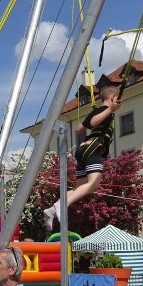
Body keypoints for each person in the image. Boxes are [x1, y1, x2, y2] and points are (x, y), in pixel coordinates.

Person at [43, 84, 122, 230]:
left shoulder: (97, 110)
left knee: (80, 187)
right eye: (118, 100)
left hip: (82, 150)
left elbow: (79, 129)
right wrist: (111, 109)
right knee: (94, 183)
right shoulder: (106, 110)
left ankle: (52, 211)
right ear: (113, 98)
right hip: (93, 149)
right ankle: (62, 204)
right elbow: (92, 123)